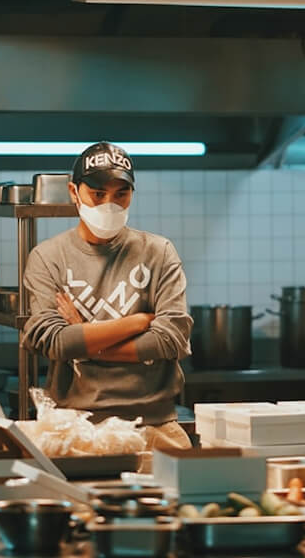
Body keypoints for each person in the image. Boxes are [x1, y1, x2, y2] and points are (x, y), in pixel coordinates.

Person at [22, 141, 193, 451]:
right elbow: (54, 341)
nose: (109, 205)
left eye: (120, 195)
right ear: (74, 192)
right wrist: (138, 321)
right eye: (98, 194)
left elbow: (170, 340)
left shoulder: (158, 252)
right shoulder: (48, 257)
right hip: (77, 429)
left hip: (155, 427)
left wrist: (85, 340)